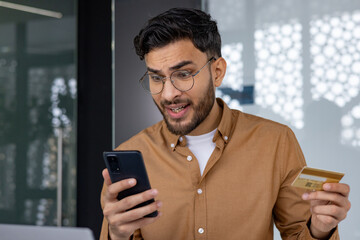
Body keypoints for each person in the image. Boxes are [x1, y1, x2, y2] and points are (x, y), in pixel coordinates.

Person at [100, 8, 351, 240]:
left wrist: (319, 230)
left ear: (217, 71)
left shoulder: (276, 142)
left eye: (183, 74)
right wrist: (116, 235)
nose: (168, 94)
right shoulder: (131, 154)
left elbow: (298, 233)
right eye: (156, 78)